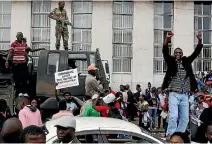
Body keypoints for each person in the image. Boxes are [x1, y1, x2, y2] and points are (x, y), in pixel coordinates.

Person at [162, 32, 203, 137]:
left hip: (185, 94)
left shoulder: (186, 61)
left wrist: (199, 41)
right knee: (174, 116)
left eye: (180, 52)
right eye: (176, 52)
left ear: (182, 54)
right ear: (174, 54)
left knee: (185, 118)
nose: (178, 54)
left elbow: (196, 53)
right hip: (174, 94)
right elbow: (165, 51)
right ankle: (170, 134)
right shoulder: (171, 61)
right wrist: (167, 39)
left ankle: (179, 135)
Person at [5, 32, 45, 97]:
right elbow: (10, 53)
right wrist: (7, 61)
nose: (20, 37)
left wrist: (40, 49)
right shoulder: (14, 44)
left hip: (23, 64)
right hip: (16, 65)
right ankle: (19, 92)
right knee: (17, 80)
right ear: (17, 37)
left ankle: (24, 92)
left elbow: (31, 50)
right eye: (19, 36)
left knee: (25, 78)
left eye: (21, 36)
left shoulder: (24, 44)